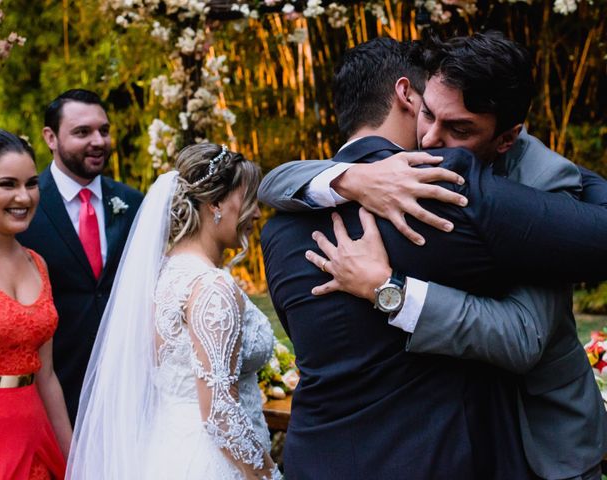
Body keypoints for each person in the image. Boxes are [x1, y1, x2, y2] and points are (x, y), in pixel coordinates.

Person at [260, 36, 607, 479]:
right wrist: (350, 177)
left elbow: (524, 337)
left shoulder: (537, 180)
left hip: (548, 440)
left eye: (459, 130)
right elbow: (273, 182)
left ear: (506, 138)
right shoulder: (380, 180)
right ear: (413, 97)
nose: (430, 139)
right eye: (427, 114)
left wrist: (389, 290)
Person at [67, 143, 281, 479]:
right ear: (215, 205)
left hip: (164, 449)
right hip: (213, 462)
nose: (256, 213)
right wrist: (270, 476)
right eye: (248, 200)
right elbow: (220, 412)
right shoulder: (211, 286)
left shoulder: (163, 273)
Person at [17, 89, 144, 423]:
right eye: (82, 132)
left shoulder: (134, 203)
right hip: (53, 388)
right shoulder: (24, 207)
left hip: (126, 389)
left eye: (103, 130)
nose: (98, 141)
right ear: (50, 137)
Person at [0, 129, 72, 479]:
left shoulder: (37, 264)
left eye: (31, 184)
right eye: (7, 184)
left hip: (34, 434)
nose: (24, 197)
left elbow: (48, 376)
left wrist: (74, 457)